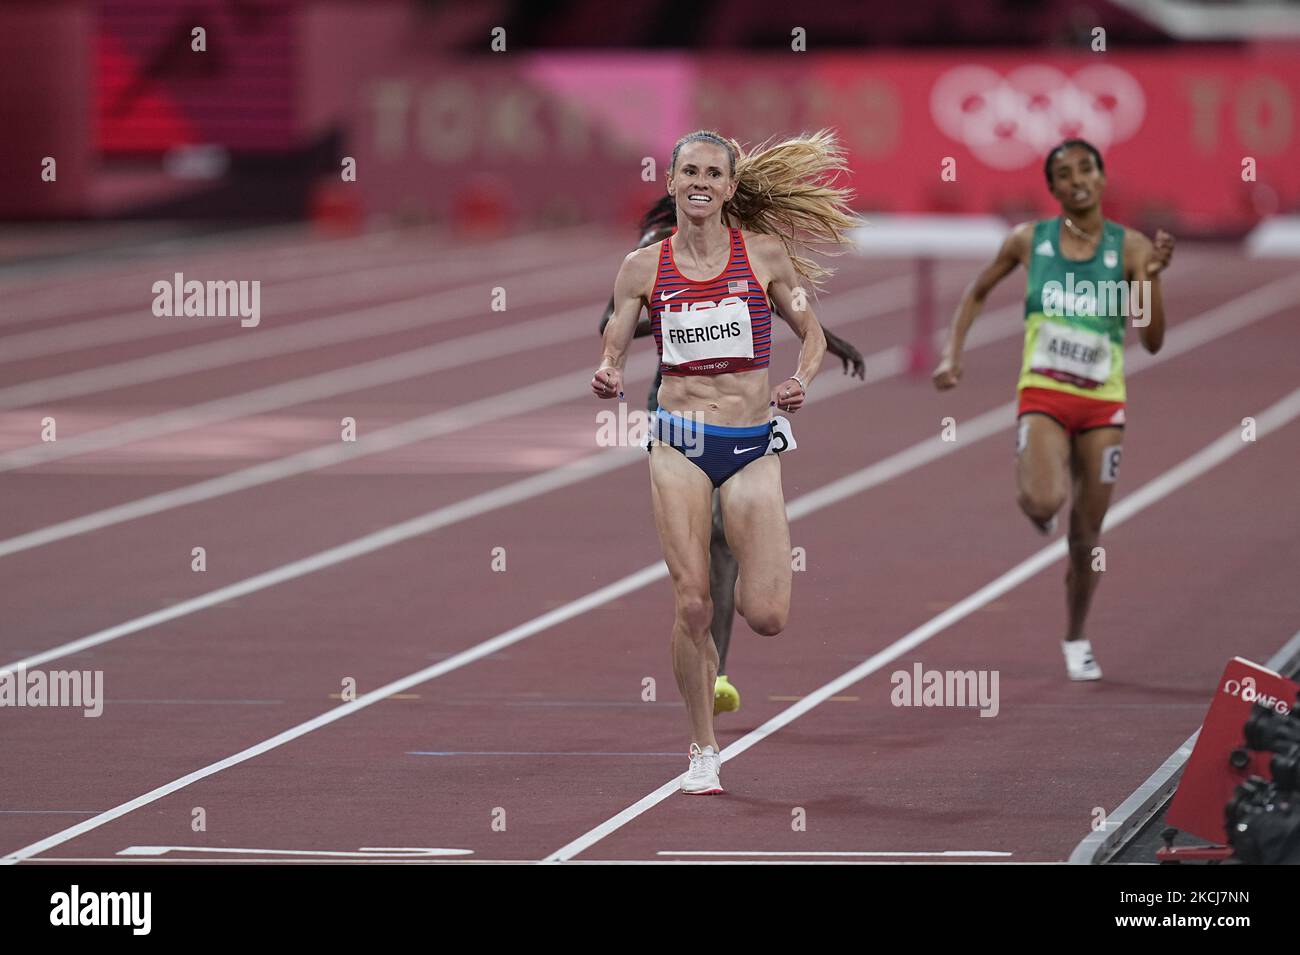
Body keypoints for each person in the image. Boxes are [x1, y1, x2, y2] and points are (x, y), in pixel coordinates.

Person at [592, 129, 856, 793]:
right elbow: (616, 336)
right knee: (692, 603)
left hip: (748, 444)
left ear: (731, 187)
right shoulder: (642, 267)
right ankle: (702, 746)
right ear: (673, 181)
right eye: (690, 171)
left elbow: (812, 330)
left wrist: (803, 375)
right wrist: (608, 370)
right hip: (677, 439)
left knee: (766, 613)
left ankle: (717, 684)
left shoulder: (764, 255)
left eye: (714, 171)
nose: (701, 181)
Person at [933, 139, 1175, 681]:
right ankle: (1038, 503)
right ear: (1053, 188)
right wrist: (953, 354)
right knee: (1042, 500)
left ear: (1102, 176)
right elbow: (977, 292)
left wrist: (1151, 278)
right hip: (1043, 392)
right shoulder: (1029, 241)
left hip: (1102, 402)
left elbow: (1152, 339)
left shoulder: (1132, 248)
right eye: (1064, 174)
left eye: (1086, 168)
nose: (1077, 179)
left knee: (1087, 534)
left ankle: (1075, 634)